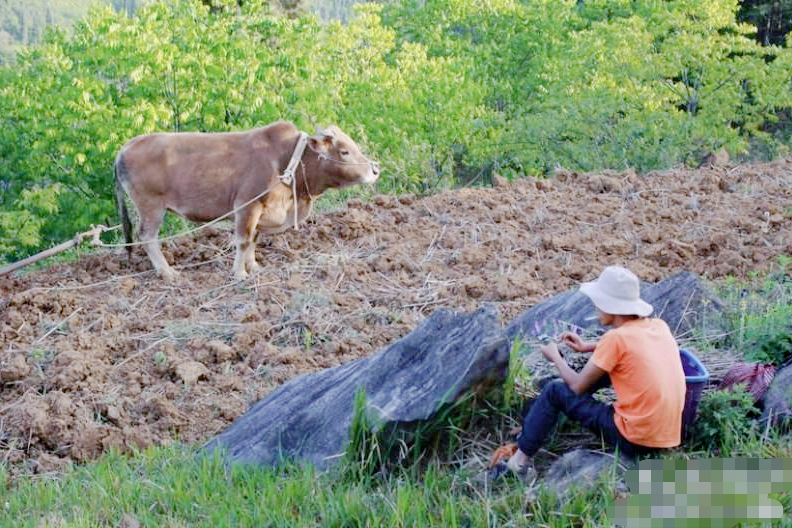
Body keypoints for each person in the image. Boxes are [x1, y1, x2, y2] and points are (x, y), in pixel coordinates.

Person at [500, 265, 687, 481]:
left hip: (633, 439)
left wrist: (556, 357)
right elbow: (632, 347)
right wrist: (587, 346)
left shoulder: (615, 339)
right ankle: (533, 426)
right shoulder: (658, 326)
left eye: (598, 302)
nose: (596, 307)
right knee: (604, 371)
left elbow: (578, 385)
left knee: (555, 390)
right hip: (667, 437)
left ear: (611, 306)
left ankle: (518, 463)